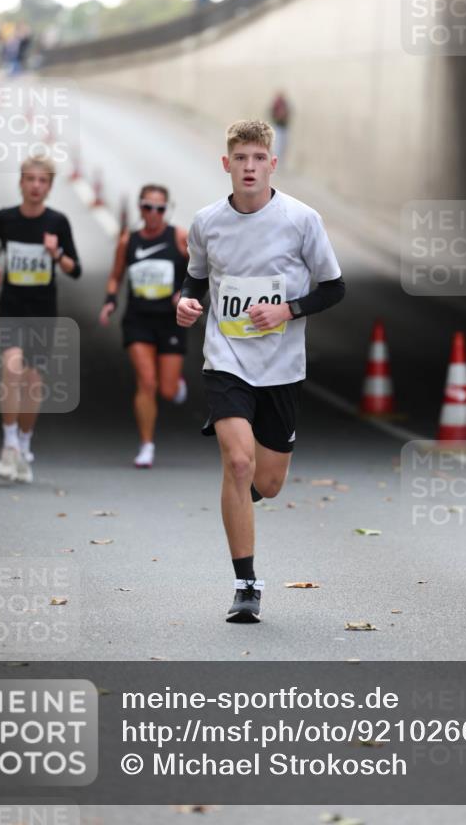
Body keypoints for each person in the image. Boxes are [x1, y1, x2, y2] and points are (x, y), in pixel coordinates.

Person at [177, 119, 344, 623]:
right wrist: (186, 305)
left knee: (267, 482)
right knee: (240, 462)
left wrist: (287, 310)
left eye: (258, 159)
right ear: (226, 165)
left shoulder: (301, 220)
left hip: (281, 367)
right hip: (226, 361)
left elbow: (334, 288)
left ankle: (238, 501)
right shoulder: (206, 222)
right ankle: (246, 585)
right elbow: (195, 282)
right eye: (240, 159)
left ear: (272, 163)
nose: (249, 167)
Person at [0, 153, 81, 483]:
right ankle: (8, 444)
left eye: (42, 181)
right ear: (21, 183)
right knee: (11, 366)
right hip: (11, 306)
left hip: (42, 311)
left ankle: (24, 444)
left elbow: (74, 269)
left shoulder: (57, 222)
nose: (36, 186)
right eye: (30, 179)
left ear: (49, 187)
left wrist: (57, 254)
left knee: (34, 383)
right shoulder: (5, 218)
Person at [100, 185, 189, 468]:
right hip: (138, 319)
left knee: (166, 389)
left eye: (159, 209)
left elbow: (203, 271)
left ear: (167, 210)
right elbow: (115, 276)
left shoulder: (179, 237)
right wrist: (110, 301)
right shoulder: (129, 241)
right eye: (148, 207)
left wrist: (186, 295)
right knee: (146, 382)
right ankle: (146, 445)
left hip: (170, 321)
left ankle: (176, 387)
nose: (153, 214)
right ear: (140, 208)